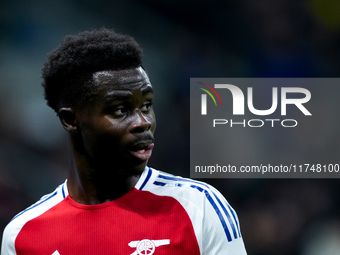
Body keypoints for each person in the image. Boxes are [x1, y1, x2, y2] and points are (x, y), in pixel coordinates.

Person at [1, 28, 247, 255]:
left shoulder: (199, 207)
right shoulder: (22, 235)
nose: (143, 122)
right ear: (70, 120)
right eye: (119, 109)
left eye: (147, 105)